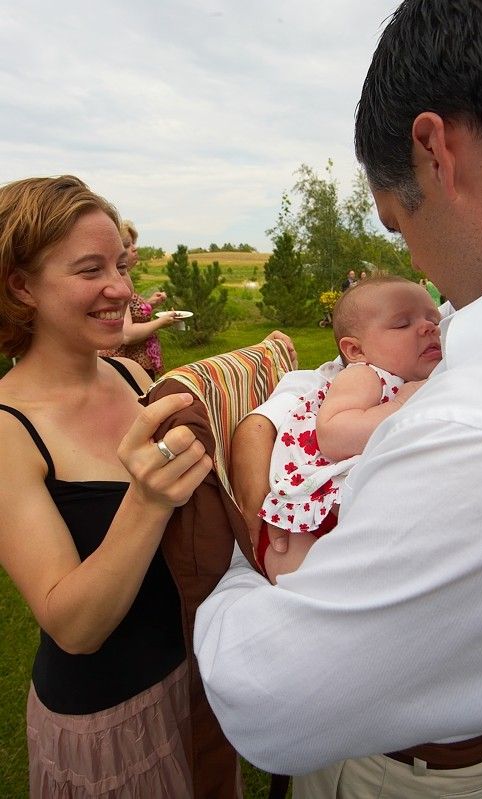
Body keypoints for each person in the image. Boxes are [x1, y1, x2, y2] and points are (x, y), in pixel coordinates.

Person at [193, 0, 482, 797]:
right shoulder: (475, 326)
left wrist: (238, 557)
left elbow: (269, 700)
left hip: (395, 770)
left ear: (433, 150)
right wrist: (261, 431)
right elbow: (323, 382)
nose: (413, 264)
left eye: (395, 224)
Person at [0, 175, 221, 798]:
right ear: (21, 285)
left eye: (121, 265)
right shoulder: (9, 429)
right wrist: (148, 499)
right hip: (110, 719)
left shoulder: (128, 374)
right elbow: (74, 627)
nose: (121, 290)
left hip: (193, 677)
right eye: (90, 269)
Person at [259, 276, 442, 581]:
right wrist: (399, 408)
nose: (428, 327)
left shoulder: (405, 379)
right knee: (307, 588)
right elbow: (333, 435)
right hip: (303, 520)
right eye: (402, 324)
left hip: (332, 511)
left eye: (433, 318)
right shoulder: (365, 376)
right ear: (356, 351)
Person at [100, 219, 174, 379]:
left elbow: (125, 314)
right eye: (127, 245)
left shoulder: (124, 280)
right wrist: (162, 322)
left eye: (133, 243)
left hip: (134, 366)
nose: (134, 248)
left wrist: (149, 304)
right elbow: (127, 335)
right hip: (127, 369)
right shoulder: (118, 287)